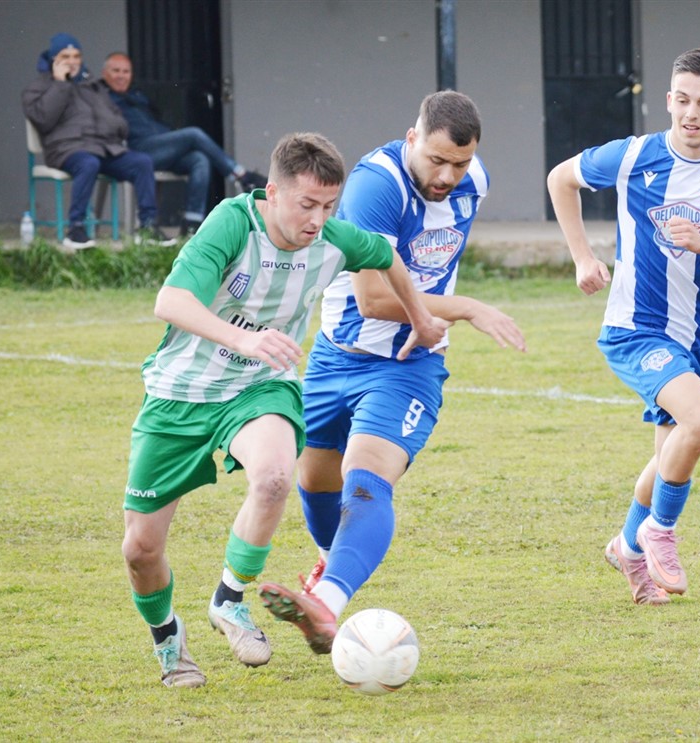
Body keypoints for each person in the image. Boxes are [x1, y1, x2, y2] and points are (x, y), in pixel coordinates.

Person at [120, 131, 448, 688]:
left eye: (329, 207)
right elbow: (170, 301)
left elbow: (385, 254)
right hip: (181, 393)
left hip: (259, 387)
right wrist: (244, 338)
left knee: (274, 477)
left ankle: (230, 599)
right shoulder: (233, 224)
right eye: (306, 204)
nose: (318, 220)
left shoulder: (332, 239)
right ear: (272, 193)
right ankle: (168, 638)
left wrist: (419, 317)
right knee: (140, 549)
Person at [257, 91, 526, 654]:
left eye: (460, 163)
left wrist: (437, 317)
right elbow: (374, 299)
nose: (448, 176)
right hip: (336, 353)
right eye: (436, 160)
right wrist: (466, 307)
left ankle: (327, 603)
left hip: (407, 364)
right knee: (315, 482)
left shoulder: (474, 180)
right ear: (412, 138)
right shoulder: (375, 187)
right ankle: (331, 570)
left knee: (365, 478)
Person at [546, 48, 700, 604]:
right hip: (635, 329)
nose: (692, 113)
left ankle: (628, 550)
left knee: (669, 455)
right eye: (683, 101)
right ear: (668, 100)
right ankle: (659, 532)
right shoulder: (633, 155)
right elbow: (560, 179)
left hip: (697, 335)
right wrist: (582, 257)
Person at [22, 33, 176, 249]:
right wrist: (60, 83)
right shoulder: (38, 88)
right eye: (65, 56)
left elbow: (117, 119)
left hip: (103, 148)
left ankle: (148, 227)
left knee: (142, 162)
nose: (72, 61)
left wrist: (113, 128)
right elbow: (44, 120)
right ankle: (75, 229)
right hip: (67, 150)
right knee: (88, 163)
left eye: (76, 56)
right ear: (53, 59)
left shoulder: (91, 86)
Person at [101, 53, 266, 236]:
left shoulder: (136, 95)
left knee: (199, 159)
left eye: (126, 71)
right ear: (104, 73)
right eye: (116, 71)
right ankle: (242, 175)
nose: (121, 76)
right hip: (137, 150)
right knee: (193, 134)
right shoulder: (101, 98)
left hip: (161, 147)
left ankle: (191, 223)